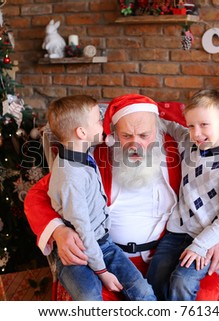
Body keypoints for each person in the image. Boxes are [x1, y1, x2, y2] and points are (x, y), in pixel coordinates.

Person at [24, 93, 219, 301]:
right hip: (111, 259)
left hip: (174, 254)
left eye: (144, 135)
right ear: (112, 134)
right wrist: (59, 230)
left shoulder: (180, 148)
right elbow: (37, 195)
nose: (136, 144)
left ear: (158, 130)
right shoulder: (94, 156)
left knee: (205, 294)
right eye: (126, 135)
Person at [45, 95, 156, 300]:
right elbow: (83, 228)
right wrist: (102, 272)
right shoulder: (70, 177)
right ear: (81, 132)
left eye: (143, 134)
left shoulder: (80, 150)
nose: (103, 124)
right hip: (81, 247)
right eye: (98, 120)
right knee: (90, 298)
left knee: (144, 293)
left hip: (104, 243)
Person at [147, 89, 219, 300]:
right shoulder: (190, 142)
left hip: (206, 238)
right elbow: (170, 126)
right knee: (155, 277)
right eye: (191, 125)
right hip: (177, 231)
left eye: (204, 125)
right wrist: (146, 114)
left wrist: (201, 246)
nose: (196, 133)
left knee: (182, 282)